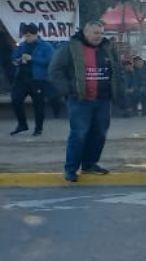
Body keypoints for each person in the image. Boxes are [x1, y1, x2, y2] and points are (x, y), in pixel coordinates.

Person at [49, 20, 125, 182]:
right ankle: (70, 169)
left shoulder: (108, 48)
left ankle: (90, 164)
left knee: (99, 134)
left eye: (101, 33)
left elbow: (117, 70)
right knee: (79, 134)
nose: (99, 36)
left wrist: (119, 92)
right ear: (85, 32)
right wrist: (67, 90)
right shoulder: (70, 48)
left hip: (103, 100)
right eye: (95, 33)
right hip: (80, 100)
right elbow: (55, 71)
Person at [10, 24, 54, 136]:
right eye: (25, 36)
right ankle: (22, 124)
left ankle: (38, 128)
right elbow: (14, 58)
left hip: (37, 79)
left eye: (29, 36)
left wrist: (32, 59)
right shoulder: (22, 45)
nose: (27, 38)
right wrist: (18, 60)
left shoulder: (45, 46)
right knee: (16, 99)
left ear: (35, 34)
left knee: (38, 104)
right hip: (21, 78)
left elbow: (51, 61)